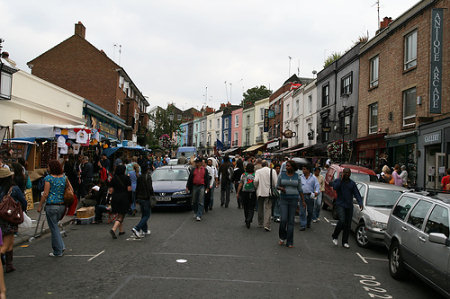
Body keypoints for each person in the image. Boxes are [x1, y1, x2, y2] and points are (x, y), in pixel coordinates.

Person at [37, 160, 70, 257]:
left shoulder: (49, 178)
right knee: (55, 226)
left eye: (48, 167)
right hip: (62, 206)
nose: (47, 168)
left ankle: (58, 251)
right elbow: (69, 190)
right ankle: (61, 246)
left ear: (52, 168)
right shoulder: (64, 178)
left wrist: (40, 205)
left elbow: (46, 193)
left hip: (51, 205)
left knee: (54, 228)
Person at [0, 168, 27, 270]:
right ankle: (7, 262)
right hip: (10, 217)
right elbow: (23, 202)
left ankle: (9, 264)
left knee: (6, 240)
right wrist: (21, 210)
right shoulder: (14, 188)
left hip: (0, 217)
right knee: (8, 241)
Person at [331, 168, 363, 249]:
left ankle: (345, 241)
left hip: (349, 205)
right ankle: (335, 236)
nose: (347, 174)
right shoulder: (338, 181)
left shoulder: (352, 183)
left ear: (350, 174)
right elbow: (335, 187)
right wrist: (341, 180)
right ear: (343, 173)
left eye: (348, 173)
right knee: (342, 220)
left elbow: (356, 193)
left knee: (347, 224)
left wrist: (360, 202)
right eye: (345, 173)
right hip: (340, 204)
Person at [277, 160, 304, 248]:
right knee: (283, 219)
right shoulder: (282, 175)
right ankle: (282, 236)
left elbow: (300, 189)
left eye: (288, 166)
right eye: (286, 166)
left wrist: (303, 201)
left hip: (294, 200)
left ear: (293, 167)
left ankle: (290, 241)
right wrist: (281, 188)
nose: (286, 167)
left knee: (291, 221)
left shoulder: (297, 176)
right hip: (284, 199)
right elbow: (276, 186)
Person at [109, 165, 131, 239]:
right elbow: (129, 189)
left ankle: (121, 231)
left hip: (115, 198)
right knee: (122, 215)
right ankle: (114, 229)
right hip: (124, 197)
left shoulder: (113, 178)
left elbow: (111, 190)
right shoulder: (127, 178)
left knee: (119, 213)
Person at [254, 160, 278, 231]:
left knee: (260, 207)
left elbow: (255, 181)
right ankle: (267, 224)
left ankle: (260, 223)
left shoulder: (258, 171)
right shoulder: (272, 171)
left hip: (260, 191)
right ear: (268, 165)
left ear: (261, 165)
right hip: (269, 192)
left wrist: (256, 187)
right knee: (268, 208)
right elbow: (275, 183)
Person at [132, 164, 153, 238]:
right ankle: (137, 228)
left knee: (144, 214)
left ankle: (145, 230)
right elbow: (150, 188)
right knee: (147, 215)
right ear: (147, 170)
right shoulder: (148, 177)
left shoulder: (139, 177)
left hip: (140, 198)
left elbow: (137, 188)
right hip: (146, 198)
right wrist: (152, 196)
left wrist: (136, 198)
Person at [299, 165, 320, 230]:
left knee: (310, 211)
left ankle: (308, 223)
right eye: (302, 169)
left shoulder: (313, 178)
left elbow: (317, 186)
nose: (303, 170)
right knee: (302, 211)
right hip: (302, 196)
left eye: (304, 169)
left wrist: (316, 192)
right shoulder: (300, 177)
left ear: (308, 170)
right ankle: (303, 225)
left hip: (310, 196)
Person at [236, 163, 257, 228]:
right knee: (251, 207)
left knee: (245, 206)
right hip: (253, 192)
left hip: (244, 192)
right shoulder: (255, 175)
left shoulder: (244, 175)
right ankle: (249, 219)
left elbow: (241, 184)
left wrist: (238, 192)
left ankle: (246, 218)